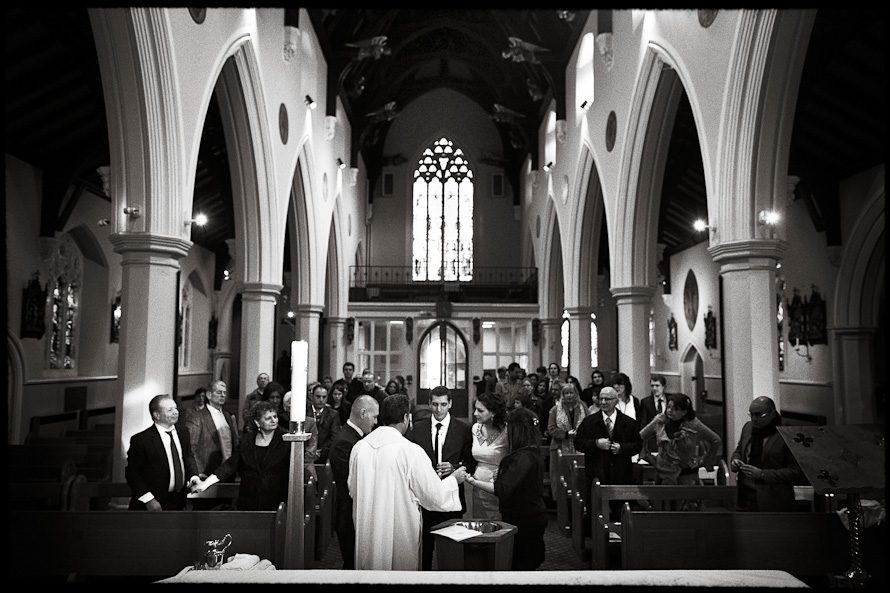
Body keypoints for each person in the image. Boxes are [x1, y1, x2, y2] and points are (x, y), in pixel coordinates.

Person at [349, 393, 468, 570]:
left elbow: (353, 489)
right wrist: (453, 479)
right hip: (399, 529)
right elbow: (434, 496)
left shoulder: (360, 447)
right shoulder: (410, 451)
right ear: (406, 417)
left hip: (367, 526)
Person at [467, 407, 547, 570]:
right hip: (528, 515)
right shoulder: (530, 452)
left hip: (525, 519)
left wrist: (472, 481)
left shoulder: (523, 457)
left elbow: (502, 489)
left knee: (521, 565)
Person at [407, 385, 476, 570]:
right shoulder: (417, 429)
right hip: (424, 497)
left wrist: (455, 467)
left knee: (451, 549)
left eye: (443, 404)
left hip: (452, 497)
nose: (439, 409)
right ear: (429, 403)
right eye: (435, 404)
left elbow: (471, 462)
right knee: (425, 549)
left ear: (450, 404)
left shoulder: (463, 429)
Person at [193, 401, 290, 510]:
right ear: (257, 422)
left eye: (275, 417)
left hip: (276, 502)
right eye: (268, 418)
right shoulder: (247, 441)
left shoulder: (286, 439)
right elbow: (229, 466)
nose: (274, 420)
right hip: (249, 501)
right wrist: (205, 483)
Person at [574, 386, 642, 521]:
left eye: (607, 399)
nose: (603, 402)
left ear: (616, 401)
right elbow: (578, 443)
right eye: (601, 399)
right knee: (598, 511)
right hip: (597, 471)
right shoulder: (589, 422)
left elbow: (638, 445)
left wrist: (622, 448)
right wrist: (596, 443)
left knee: (620, 511)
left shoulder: (629, 423)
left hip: (621, 473)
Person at [329, 395, 379, 569]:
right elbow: (354, 482)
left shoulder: (351, 437)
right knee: (353, 566)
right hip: (348, 514)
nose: (376, 422)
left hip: (354, 511)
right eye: (374, 417)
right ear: (363, 413)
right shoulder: (345, 442)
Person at [125, 394, 199, 510]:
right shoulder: (141, 440)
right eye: (170, 410)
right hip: (152, 504)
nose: (176, 412)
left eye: (175, 408)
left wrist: (194, 476)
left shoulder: (183, 432)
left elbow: (188, 457)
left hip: (179, 501)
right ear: (157, 415)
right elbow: (132, 473)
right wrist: (148, 499)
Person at [731, 396, 805, 511]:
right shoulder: (748, 428)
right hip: (744, 495)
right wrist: (735, 460)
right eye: (751, 414)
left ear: (772, 413)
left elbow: (797, 471)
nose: (754, 419)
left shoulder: (787, 433)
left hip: (773, 500)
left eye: (759, 415)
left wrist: (762, 474)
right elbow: (740, 450)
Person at [639, 393, 722, 485]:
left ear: (684, 412)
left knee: (684, 496)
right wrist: (647, 456)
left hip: (686, 472)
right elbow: (641, 437)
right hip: (663, 471)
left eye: (675, 409)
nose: (670, 411)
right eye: (669, 407)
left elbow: (716, 440)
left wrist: (705, 461)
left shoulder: (693, 424)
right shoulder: (660, 420)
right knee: (662, 496)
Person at [185, 380, 239, 478]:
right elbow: (191, 448)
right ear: (209, 395)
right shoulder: (197, 417)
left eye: (224, 393)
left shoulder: (228, 416)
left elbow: (234, 443)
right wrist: (197, 471)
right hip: (207, 472)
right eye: (219, 392)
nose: (223, 395)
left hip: (229, 471)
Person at [468, 391, 508, 519]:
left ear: (493, 413)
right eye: (475, 409)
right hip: (477, 485)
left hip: (498, 486)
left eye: (480, 411)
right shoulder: (475, 428)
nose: (475, 414)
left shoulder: (507, 431)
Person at [547, 382, 588, 498]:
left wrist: (579, 433)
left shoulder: (583, 407)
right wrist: (565, 434)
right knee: (560, 477)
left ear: (576, 393)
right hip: (559, 447)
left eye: (571, 393)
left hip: (579, 446)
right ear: (562, 395)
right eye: (566, 393)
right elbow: (551, 428)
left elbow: (589, 424)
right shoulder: (555, 410)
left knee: (578, 478)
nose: (569, 395)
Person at [307, 383, 341, 463]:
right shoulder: (304, 413)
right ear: (312, 396)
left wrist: (320, 451)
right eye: (318, 396)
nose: (321, 400)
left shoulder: (333, 414)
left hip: (325, 455)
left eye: (324, 397)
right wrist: (310, 451)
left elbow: (334, 436)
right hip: (306, 454)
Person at [639, 375, 669, 461]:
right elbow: (643, 423)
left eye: (657, 385)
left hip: (668, 439)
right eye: (652, 386)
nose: (654, 388)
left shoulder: (670, 400)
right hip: (652, 441)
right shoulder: (645, 402)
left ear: (664, 386)